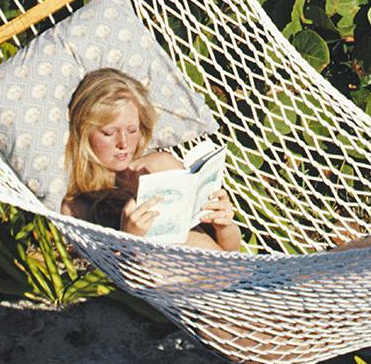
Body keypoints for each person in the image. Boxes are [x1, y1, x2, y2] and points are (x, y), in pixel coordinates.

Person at [62, 68, 242, 250]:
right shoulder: (79, 207)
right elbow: (116, 275)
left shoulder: (159, 166)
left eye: (132, 130)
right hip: (182, 277)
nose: (123, 143)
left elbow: (231, 252)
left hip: (235, 275)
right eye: (109, 133)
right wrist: (128, 239)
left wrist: (224, 225)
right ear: (85, 133)